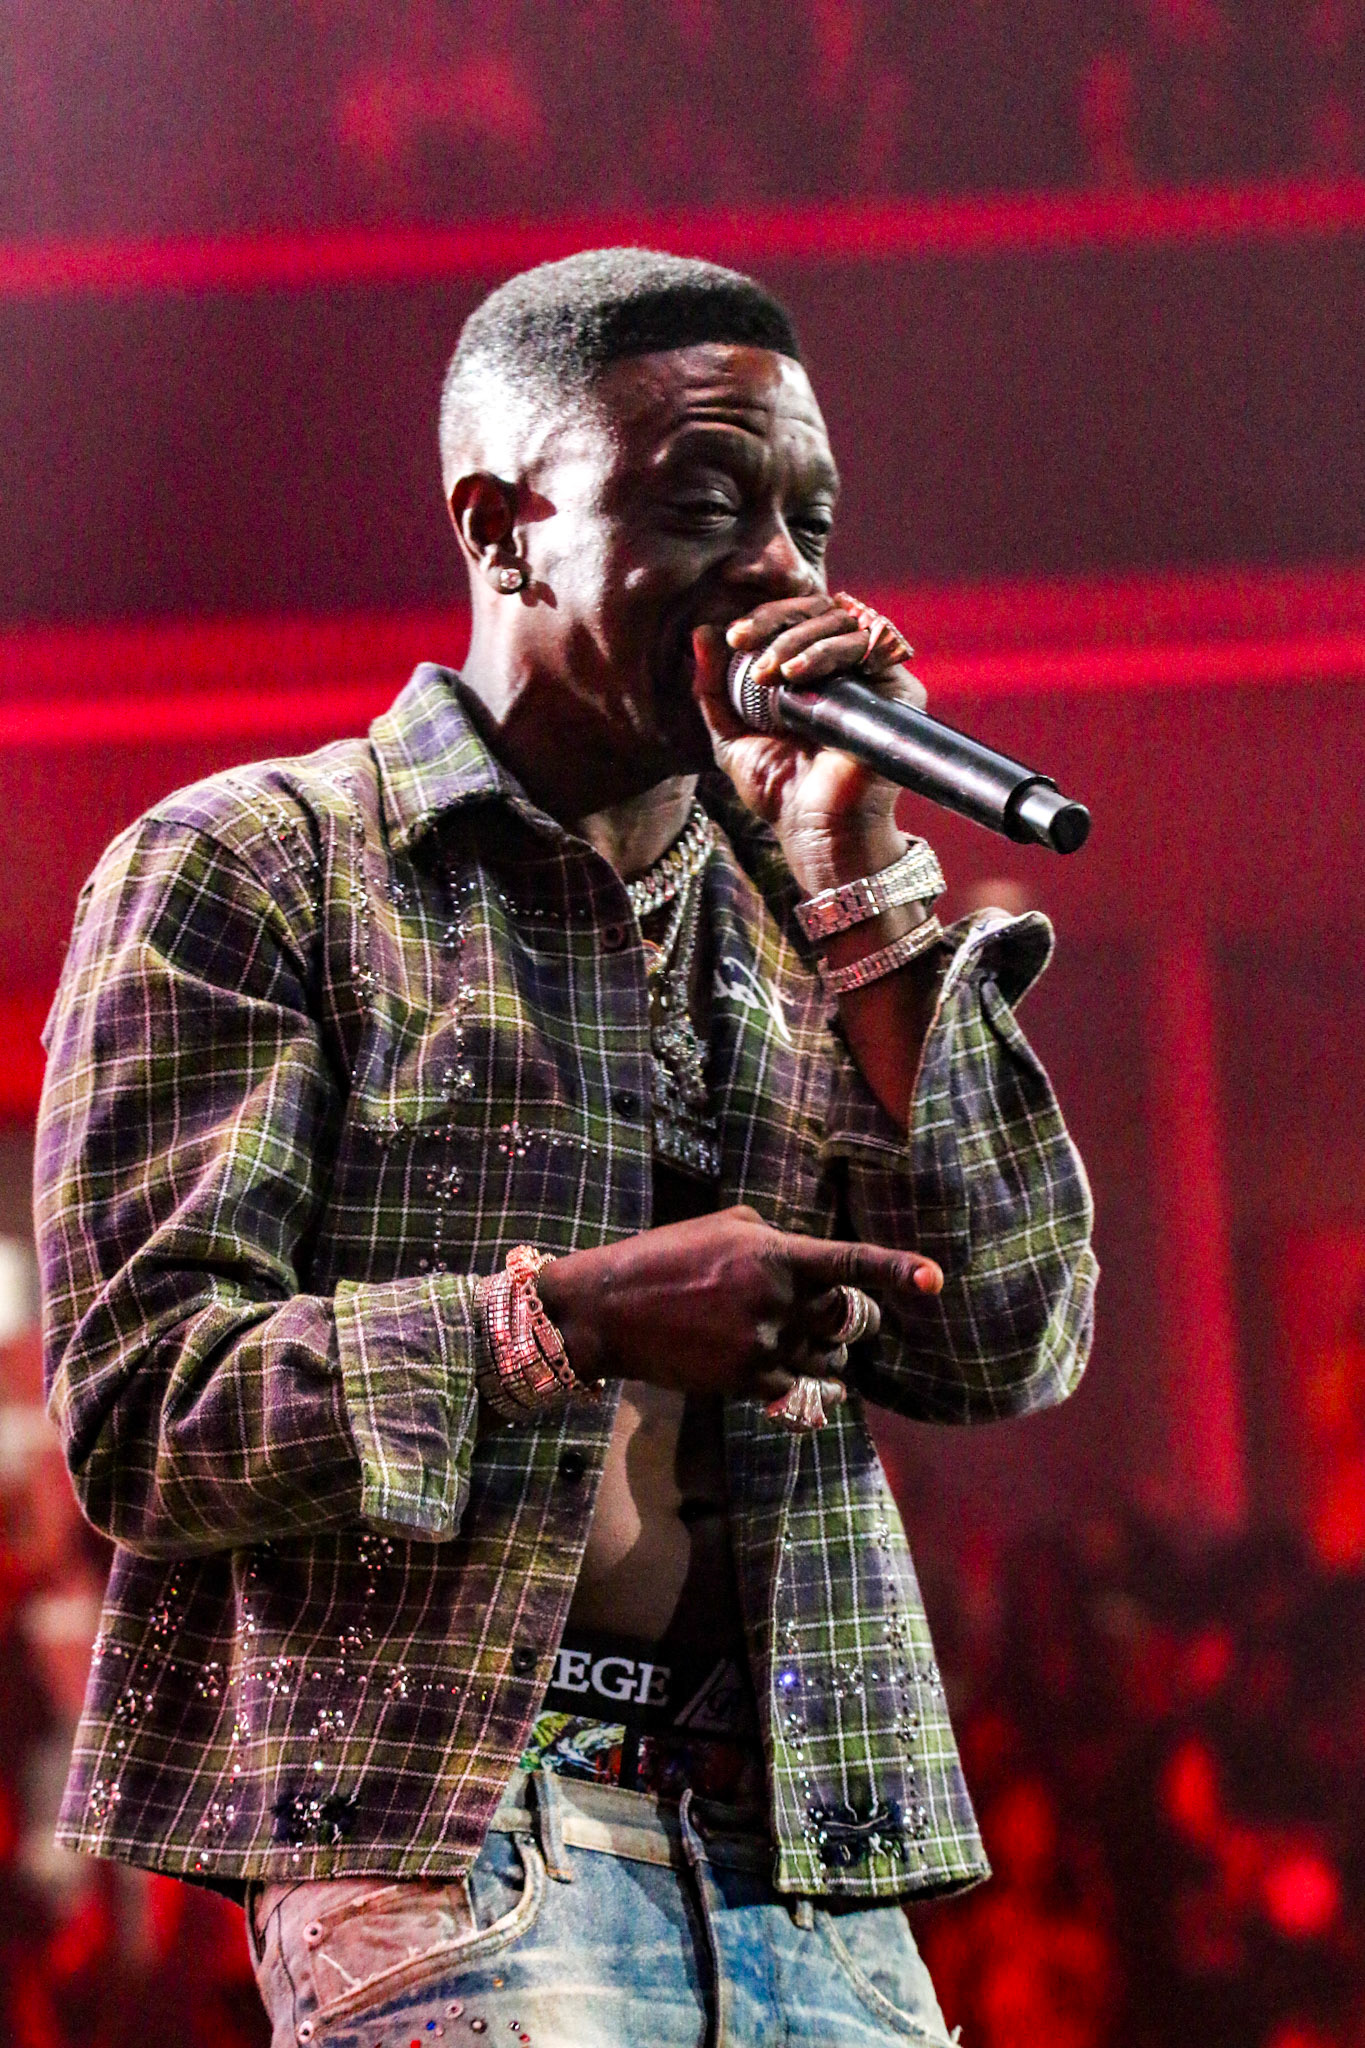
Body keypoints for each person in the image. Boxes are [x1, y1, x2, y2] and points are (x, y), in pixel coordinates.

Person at [35, 248, 1098, 2048]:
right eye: (705, 506)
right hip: (454, 1846)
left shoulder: (802, 912)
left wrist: (857, 884)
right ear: (502, 527)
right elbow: (151, 1411)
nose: (782, 575)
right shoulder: (261, 867)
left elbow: (1009, 1334)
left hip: (814, 1868)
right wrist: (573, 1321)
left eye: (809, 521)